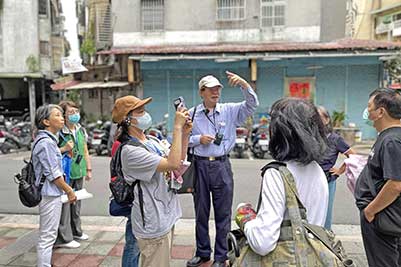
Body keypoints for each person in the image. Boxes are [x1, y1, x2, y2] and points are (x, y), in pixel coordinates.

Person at [235, 98, 328, 256]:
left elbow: (263, 243)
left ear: (280, 132)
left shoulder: (277, 174)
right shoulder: (316, 170)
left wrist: (245, 218)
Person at [186, 71, 259, 267]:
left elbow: (252, 105)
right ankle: (202, 253)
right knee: (201, 212)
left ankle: (221, 256)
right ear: (202, 92)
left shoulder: (229, 110)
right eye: (211, 89)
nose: (215, 92)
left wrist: (244, 84)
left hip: (221, 165)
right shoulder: (191, 114)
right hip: (199, 165)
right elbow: (181, 140)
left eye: (218, 88)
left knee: (223, 213)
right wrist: (197, 140)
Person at [111, 95, 192, 267]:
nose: (145, 114)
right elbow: (171, 163)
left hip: (165, 214)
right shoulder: (129, 151)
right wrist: (177, 127)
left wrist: (184, 134)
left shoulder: (152, 140)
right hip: (152, 221)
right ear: (127, 120)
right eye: (139, 112)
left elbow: (177, 161)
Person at [355, 88, 401, 267]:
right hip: (384, 217)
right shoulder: (388, 137)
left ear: (381, 112)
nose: (368, 112)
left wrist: (371, 210)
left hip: (383, 219)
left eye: (370, 107)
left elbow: (396, 184)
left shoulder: (392, 141)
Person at [33, 104, 77, 267]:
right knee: (48, 236)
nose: (62, 118)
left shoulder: (49, 141)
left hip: (51, 193)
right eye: (57, 115)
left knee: (49, 234)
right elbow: (53, 174)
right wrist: (69, 190)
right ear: (46, 121)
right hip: (49, 193)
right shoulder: (46, 143)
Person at [54, 101, 92, 248]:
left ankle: (76, 231)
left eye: (76, 111)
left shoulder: (80, 130)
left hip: (79, 171)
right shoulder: (58, 132)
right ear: (63, 115)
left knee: (76, 203)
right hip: (65, 174)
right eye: (70, 112)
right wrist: (64, 148)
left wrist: (88, 169)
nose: (75, 114)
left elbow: (85, 150)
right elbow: (50, 153)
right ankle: (64, 237)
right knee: (65, 204)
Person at [317, 106, 356, 230]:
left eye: (319, 117)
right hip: (311, 179)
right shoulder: (309, 137)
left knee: (326, 211)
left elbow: (352, 155)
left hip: (328, 179)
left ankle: (326, 238)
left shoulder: (335, 139)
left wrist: (339, 171)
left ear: (327, 120)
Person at [110, 137, 140, 267]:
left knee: (135, 241)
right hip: (132, 197)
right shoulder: (122, 145)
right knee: (133, 242)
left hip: (136, 198)